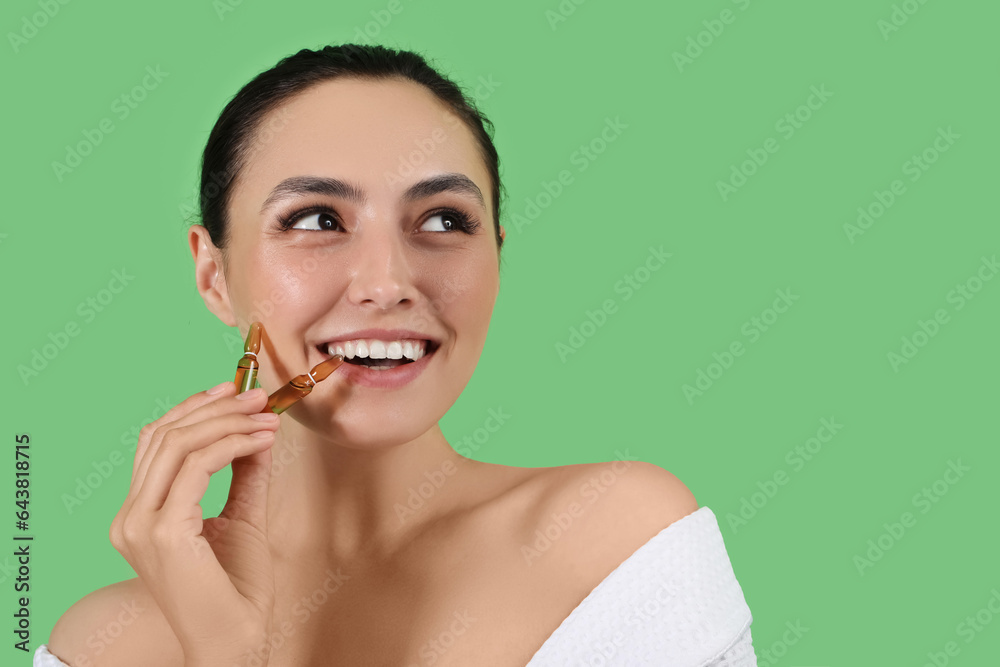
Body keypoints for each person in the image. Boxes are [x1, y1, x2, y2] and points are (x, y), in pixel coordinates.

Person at [35, 44, 757, 666]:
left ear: (495, 261)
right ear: (213, 274)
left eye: (444, 220)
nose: (387, 283)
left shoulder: (613, 542)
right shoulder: (103, 645)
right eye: (317, 219)